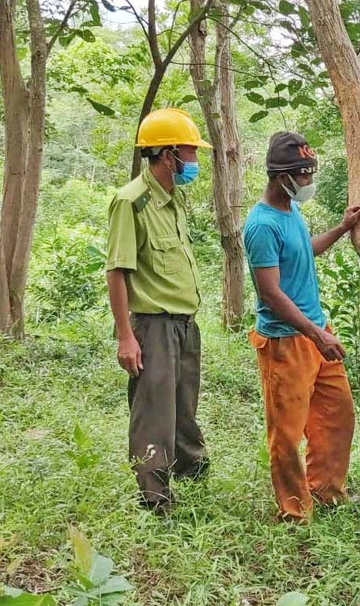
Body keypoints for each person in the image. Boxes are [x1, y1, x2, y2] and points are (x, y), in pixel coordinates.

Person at [243, 131, 360, 522]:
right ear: (282, 176)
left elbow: (302, 250)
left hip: (316, 330)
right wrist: (318, 335)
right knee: (287, 433)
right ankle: (295, 511)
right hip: (287, 341)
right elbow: (271, 293)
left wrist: (341, 229)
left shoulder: (290, 212)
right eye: (304, 176)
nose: (309, 183)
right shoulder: (261, 225)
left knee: (337, 412)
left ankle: (327, 491)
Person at [106, 108, 211, 513]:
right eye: (190, 152)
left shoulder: (174, 199)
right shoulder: (131, 202)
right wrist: (125, 337)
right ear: (168, 155)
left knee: (183, 406)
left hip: (185, 324)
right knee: (155, 412)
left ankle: (191, 472)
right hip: (153, 326)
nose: (194, 161)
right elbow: (117, 272)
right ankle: (154, 498)